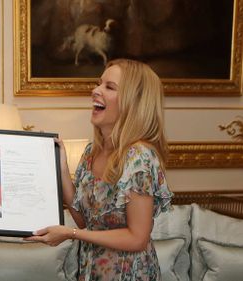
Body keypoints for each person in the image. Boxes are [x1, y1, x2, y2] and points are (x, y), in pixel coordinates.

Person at [26, 59, 173, 280]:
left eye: (109, 87)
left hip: (127, 273)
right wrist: (62, 168)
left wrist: (70, 234)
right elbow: (87, 223)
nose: (95, 90)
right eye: (98, 84)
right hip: (91, 269)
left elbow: (137, 238)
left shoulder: (139, 157)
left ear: (134, 102)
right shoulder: (91, 151)